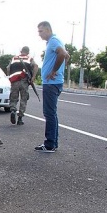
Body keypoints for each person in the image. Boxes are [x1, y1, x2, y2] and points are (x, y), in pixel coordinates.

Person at [35, 21, 69, 152]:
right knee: (52, 114)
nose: (39, 34)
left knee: (49, 114)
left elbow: (62, 54)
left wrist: (54, 71)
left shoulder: (54, 41)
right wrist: (61, 69)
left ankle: (49, 144)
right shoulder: (55, 41)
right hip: (54, 83)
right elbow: (67, 55)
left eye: (41, 31)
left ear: (48, 29)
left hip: (51, 83)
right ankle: (52, 143)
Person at [7, 46, 39, 125]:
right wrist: (33, 77)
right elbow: (36, 66)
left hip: (14, 81)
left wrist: (10, 77)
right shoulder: (29, 58)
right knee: (23, 99)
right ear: (28, 52)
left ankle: (13, 110)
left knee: (13, 98)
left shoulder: (14, 58)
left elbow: (8, 68)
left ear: (21, 51)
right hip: (24, 81)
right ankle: (20, 118)